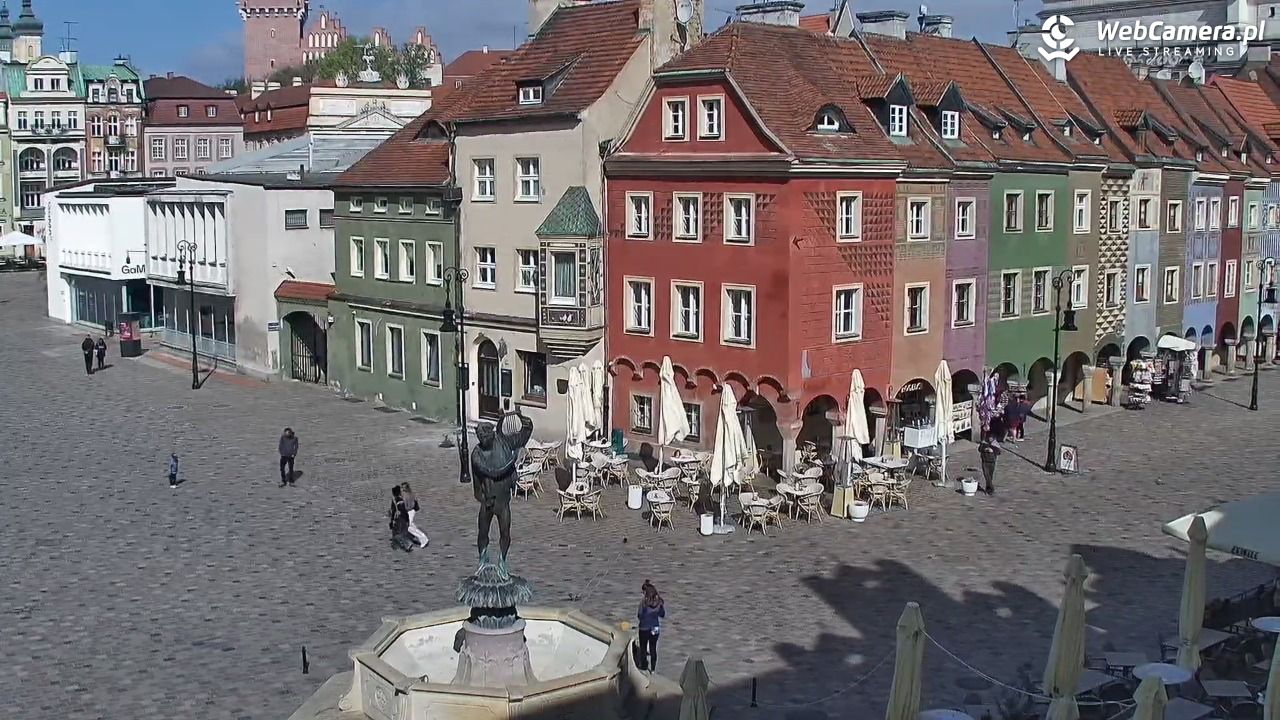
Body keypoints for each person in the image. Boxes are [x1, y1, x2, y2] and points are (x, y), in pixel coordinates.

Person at [636, 580, 666, 672]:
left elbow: (639, 615)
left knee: (643, 648)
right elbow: (662, 614)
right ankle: (653, 669)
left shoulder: (643, 603)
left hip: (644, 628)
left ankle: (644, 666)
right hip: (655, 628)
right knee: (653, 648)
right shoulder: (659, 603)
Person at [400, 481, 429, 548]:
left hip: (409, 512)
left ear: (406, 488)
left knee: (409, 528)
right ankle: (421, 537)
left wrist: (403, 506)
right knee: (411, 526)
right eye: (401, 487)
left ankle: (423, 539)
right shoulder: (411, 493)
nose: (402, 488)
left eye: (403, 487)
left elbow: (408, 506)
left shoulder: (406, 495)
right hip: (411, 511)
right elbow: (414, 502)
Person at [388, 486, 413, 552]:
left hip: (398, 520)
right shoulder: (402, 500)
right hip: (404, 518)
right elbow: (406, 511)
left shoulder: (394, 501)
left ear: (393, 493)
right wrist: (408, 520)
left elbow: (393, 512)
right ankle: (405, 545)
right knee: (402, 533)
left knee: (396, 534)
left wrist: (391, 521)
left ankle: (405, 545)